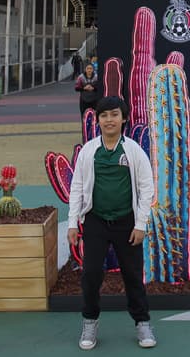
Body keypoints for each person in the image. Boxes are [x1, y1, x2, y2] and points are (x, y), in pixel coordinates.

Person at [66, 95, 156, 350]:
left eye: (114, 114)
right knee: (91, 275)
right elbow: (78, 187)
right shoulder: (89, 151)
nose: (109, 120)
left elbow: (146, 187)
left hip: (126, 223)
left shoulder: (134, 151)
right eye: (104, 115)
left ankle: (142, 323)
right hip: (96, 221)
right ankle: (90, 322)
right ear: (98, 120)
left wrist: (140, 224)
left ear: (123, 118)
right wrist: (73, 223)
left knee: (133, 276)